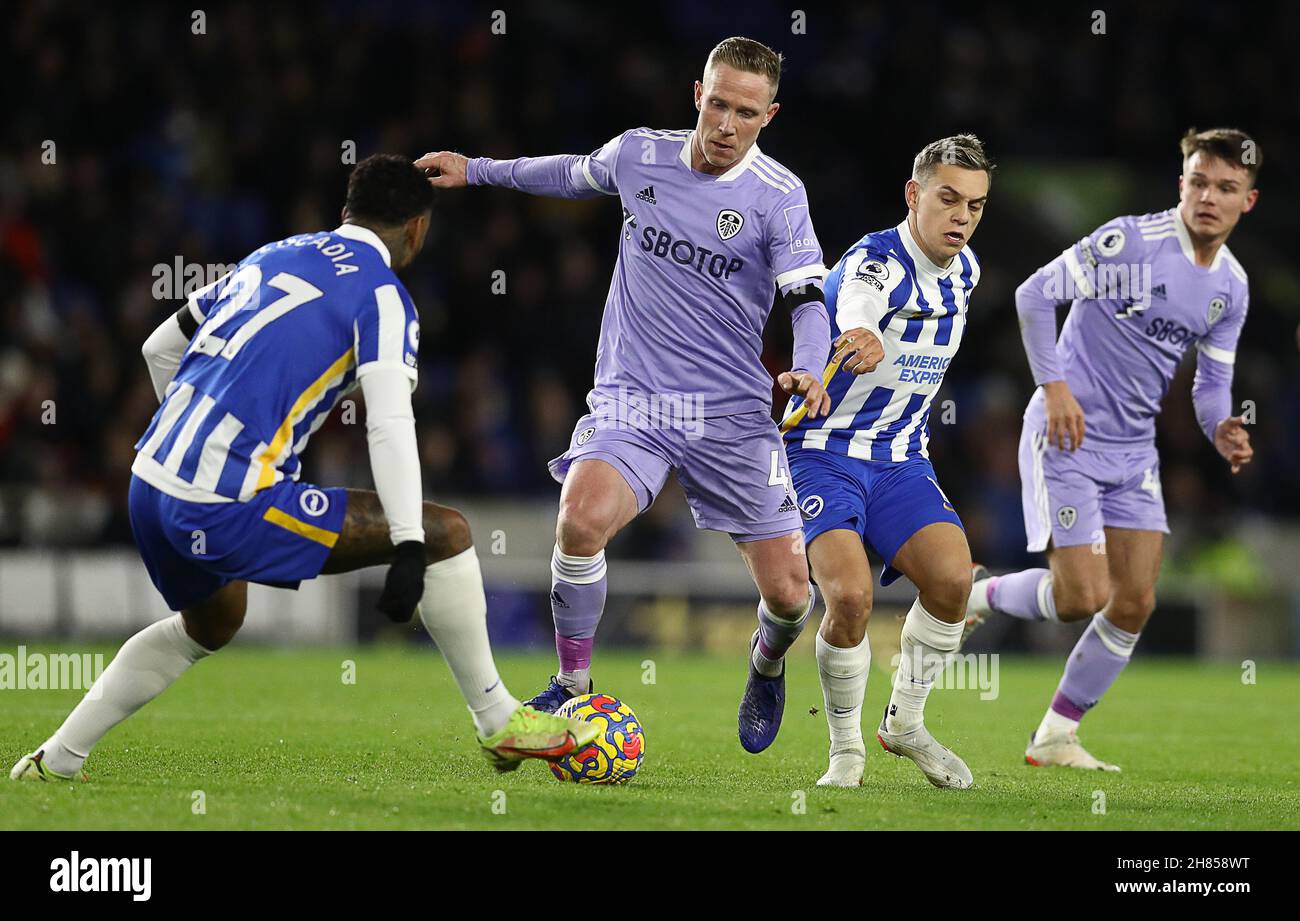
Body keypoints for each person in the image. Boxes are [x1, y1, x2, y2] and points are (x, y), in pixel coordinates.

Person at [10, 155, 597, 783]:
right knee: (446, 533)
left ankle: (57, 759)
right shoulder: (383, 297)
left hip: (149, 482)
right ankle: (499, 722)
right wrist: (404, 545)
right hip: (224, 500)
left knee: (212, 622)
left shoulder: (273, 254)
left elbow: (161, 346)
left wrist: (195, 441)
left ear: (345, 213)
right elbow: (390, 423)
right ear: (418, 230)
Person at [417, 37, 847, 753]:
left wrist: (810, 366)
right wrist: (479, 169)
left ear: (769, 114)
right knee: (580, 521)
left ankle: (765, 664)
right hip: (635, 398)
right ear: (697, 94)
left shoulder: (779, 197)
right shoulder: (639, 155)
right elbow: (568, 174)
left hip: (731, 413)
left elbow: (806, 298)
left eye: (746, 111)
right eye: (717, 104)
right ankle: (572, 686)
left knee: (792, 595)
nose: (727, 124)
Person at [964, 128, 1258, 771]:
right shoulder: (1131, 242)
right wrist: (1057, 389)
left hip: (1133, 452)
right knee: (1080, 598)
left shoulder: (1231, 288)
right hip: (1067, 433)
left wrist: (1220, 428)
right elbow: (1034, 294)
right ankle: (975, 596)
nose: (1209, 196)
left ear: (1248, 201)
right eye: (1199, 182)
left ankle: (1055, 735)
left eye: (1226, 188)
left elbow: (1211, 386)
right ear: (1182, 183)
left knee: (1134, 600)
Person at [784, 136, 993, 788]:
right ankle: (846, 750)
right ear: (914, 194)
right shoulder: (878, 259)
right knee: (849, 598)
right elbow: (859, 300)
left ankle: (904, 722)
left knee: (954, 582)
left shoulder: (968, 270)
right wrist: (863, 330)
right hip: (825, 450)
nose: (961, 216)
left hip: (901, 457)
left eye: (976, 205)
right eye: (948, 199)